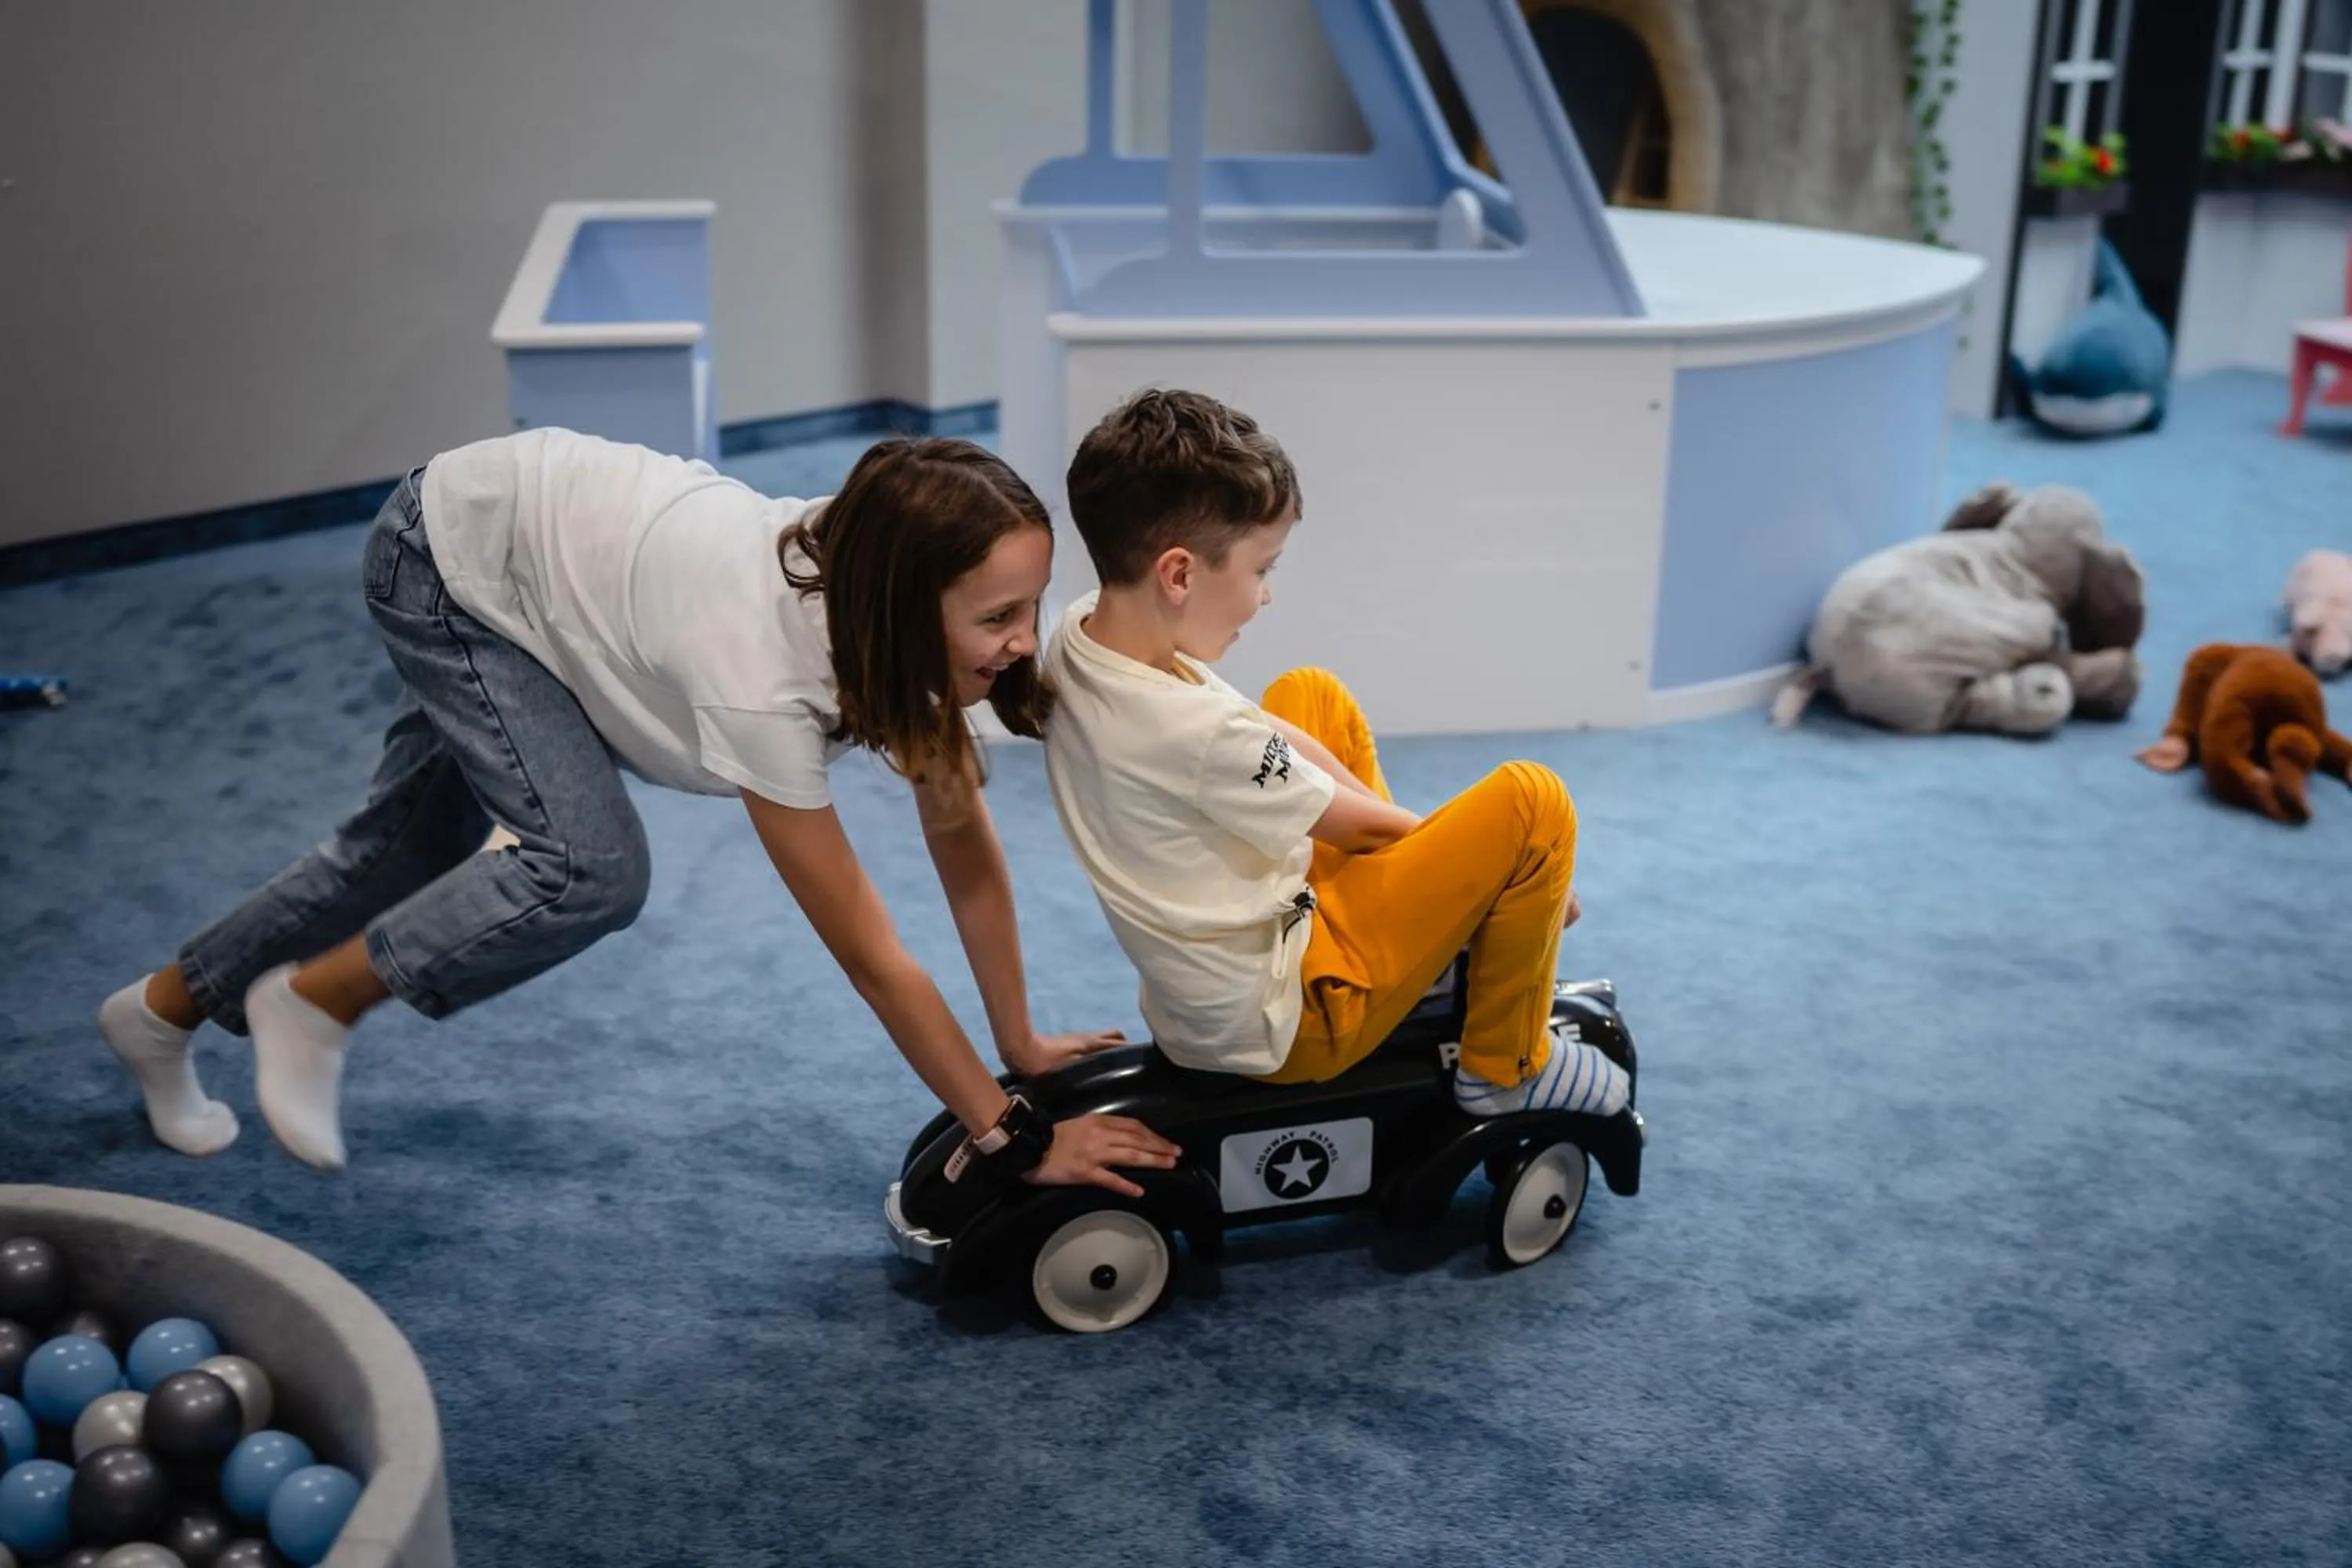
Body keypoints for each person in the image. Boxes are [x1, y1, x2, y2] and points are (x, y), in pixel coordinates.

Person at [97, 426, 1179, 1192]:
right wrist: (1015, 1139)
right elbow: (872, 954)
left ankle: (156, 1014)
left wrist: (1019, 1039)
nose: (1026, 640)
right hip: (454, 559)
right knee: (586, 867)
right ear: (899, 605)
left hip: (560, 566)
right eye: (999, 615)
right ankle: (315, 1001)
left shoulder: (884, 595)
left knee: (406, 845)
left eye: (1030, 605)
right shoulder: (760, 683)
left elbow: (960, 834)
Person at [1037, 389, 1629, 1114]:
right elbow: (1362, 824)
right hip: (1294, 1019)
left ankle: (1434, 953)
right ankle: (1507, 1069)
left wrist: (1440, 866)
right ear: (1180, 574)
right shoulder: (1195, 736)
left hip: (1238, 963)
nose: (1266, 596)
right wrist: (1491, 880)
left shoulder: (1079, 635)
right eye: (1262, 570)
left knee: (1311, 695)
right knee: (1534, 807)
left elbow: (1268, 744)